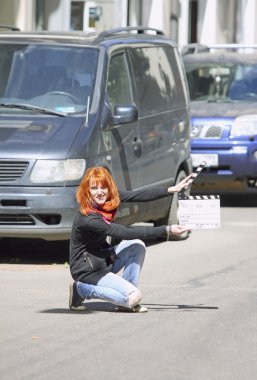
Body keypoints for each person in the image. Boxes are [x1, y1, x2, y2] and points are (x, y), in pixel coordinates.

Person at [69, 166, 192, 313]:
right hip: (88, 270)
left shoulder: (109, 200)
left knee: (137, 245)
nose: (100, 192)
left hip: (104, 259)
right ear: (87, 191)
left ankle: (125, 297)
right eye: (94, 188)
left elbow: (137, 195)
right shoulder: (88, 217)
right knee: (135, 297)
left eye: (103, 187)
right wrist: (167, 229)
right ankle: (81, 290)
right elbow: (125, 232)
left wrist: (172, 189)